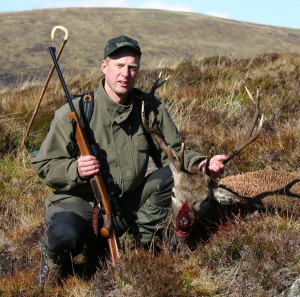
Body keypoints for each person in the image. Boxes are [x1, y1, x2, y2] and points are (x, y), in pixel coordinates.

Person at [32, 35, 227, 286]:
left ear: (138, 71)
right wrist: (75, 169)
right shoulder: (75, 112)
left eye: (132, 67)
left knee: (171, 177)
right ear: (104, 67)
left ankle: (135, 242)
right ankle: (52, 259)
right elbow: (43, 165)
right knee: (64, 235)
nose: (126, 73)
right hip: (79, 199)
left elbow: (174, 151)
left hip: (126, 200)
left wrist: (201, 163)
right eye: (119, 66)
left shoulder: (148, 107)